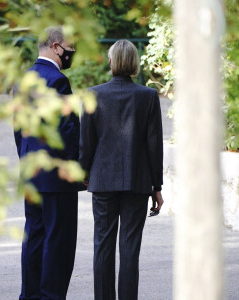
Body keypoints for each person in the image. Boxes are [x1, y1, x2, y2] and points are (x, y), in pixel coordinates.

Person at [79, 39, 164, 300]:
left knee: (102, 247)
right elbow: (154, 146)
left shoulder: (92, 95)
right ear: (135, 64)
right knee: (130, 250)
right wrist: (157, 187)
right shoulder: (148, 97)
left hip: (103, 182)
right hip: (137, 184)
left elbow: (86, 142)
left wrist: (84, 175)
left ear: (112, 62)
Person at [14, 26, 86, 300]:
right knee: (59, 242)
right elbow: (67, 132)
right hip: (57, 178)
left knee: (34, 238)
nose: (72, 53)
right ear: (56, 46)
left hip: (32, 173)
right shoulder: (58, 81)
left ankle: (30, 295)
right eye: (70, 48)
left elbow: (18, 131)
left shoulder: (22, 80)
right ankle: (51, 296)